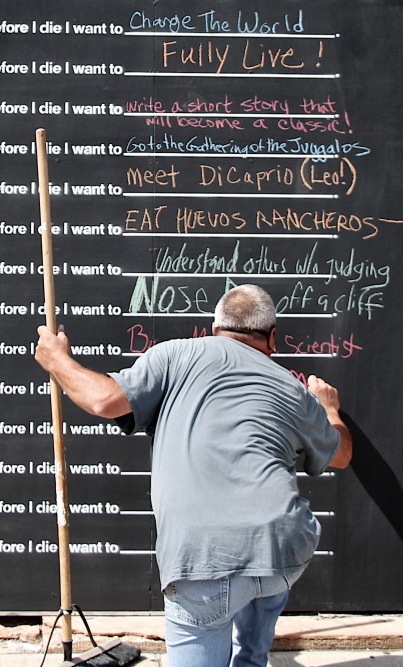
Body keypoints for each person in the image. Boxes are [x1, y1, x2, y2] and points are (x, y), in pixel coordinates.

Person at [34, 283, 352, 667]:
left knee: (212, 615)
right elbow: (342, 454)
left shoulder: (176, 355)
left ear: (215, 329)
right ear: (272, 338)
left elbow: (103, 399)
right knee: (262, 590)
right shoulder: (293, 389)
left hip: (203, 559)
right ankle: (251, 658)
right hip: (281, 549)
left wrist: (57, 361)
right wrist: (329, 409)